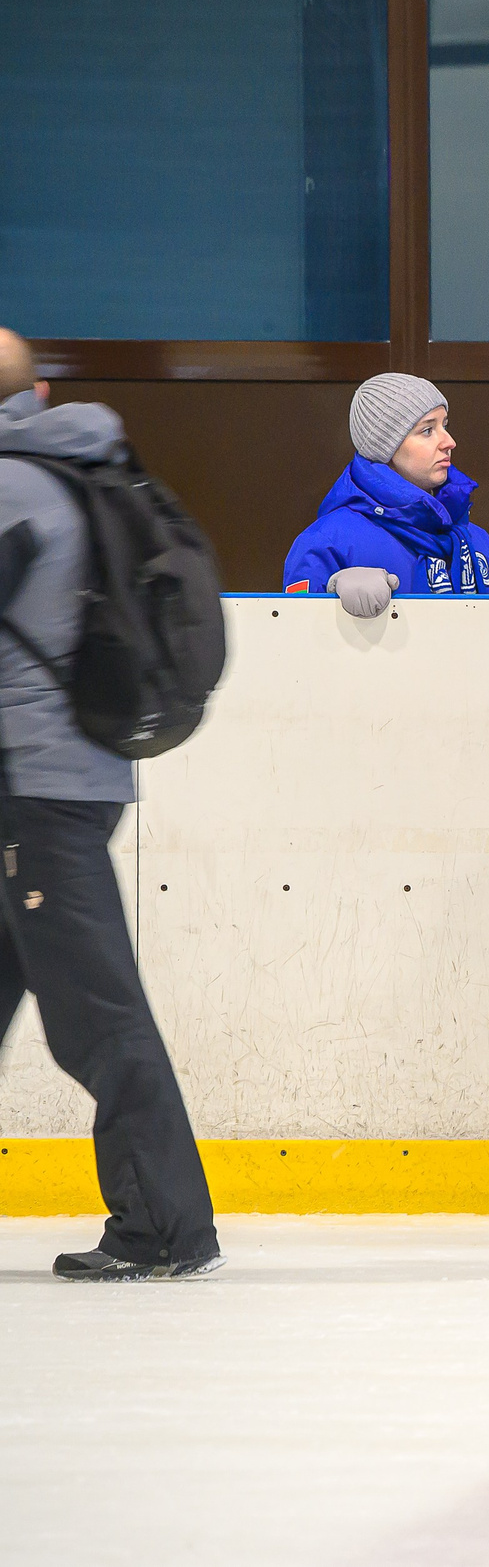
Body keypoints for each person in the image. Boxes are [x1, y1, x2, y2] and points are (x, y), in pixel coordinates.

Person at [0, 329, 220, 1279]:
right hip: (62, 778)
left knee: (97, 1012)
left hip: (35, 791)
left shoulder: (12, 485)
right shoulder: (73, 460)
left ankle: (166, 1225)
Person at [283, 373, 489, 614]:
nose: (449, 441)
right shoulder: (328, 542)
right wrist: (330, 596)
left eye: (445, 426)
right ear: (385, 447)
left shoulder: (476, 540)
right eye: (428, 430)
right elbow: (292, 641)